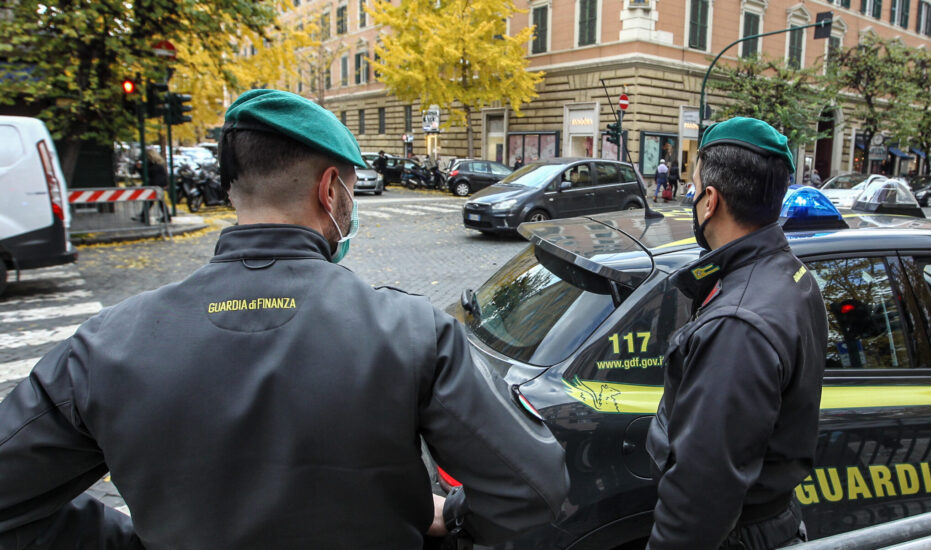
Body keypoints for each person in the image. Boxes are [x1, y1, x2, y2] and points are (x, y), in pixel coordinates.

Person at [0, 89, 569, 549]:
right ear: (330, 190)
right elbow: (532, 489)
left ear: (233, 189)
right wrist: (454, 519)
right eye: (351, 190)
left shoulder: (105, 345)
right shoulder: (412, 331)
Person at [645, 117, 828, 550]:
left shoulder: (737, 324)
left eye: (693, 188)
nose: (691, 198)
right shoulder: (788, 273)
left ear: (710, 200)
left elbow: (700, 499)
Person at [133, 149, 170, 223]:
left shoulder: (152, 166)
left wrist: (138, 169)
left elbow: (146, 174)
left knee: (152, 201)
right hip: (158, 185)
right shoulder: (158, 165)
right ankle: (166, 217)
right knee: (157, 202)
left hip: (155, 185)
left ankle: (144, 216)